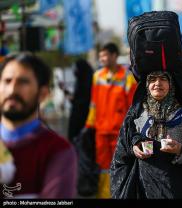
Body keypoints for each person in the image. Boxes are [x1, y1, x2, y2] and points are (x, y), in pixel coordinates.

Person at [110, 70, 182, 199]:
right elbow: (121, 152)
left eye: (163, 79)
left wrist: (179, 150)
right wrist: (134, 148)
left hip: (175, 190)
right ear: (147, 85)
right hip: (142, 189)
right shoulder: (136, 115)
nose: (157, 83)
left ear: (171, 85)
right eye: (153, 79)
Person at [0, 52, 77, 198]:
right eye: (7, 81)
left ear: (43, 94)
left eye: (23, 82)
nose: (12, 90)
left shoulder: (57, 151)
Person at [85, 43, 137, 198]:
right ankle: (103, 195)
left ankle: (118, 194)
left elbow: (133, 106)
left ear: (114, 56)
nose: (102, 59)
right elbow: (93, 103)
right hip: (101, 130)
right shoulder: (97, 76)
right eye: (100, 56)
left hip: (119, 131)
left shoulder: (127, 77)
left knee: (119, 165)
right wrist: (90, 125)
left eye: (105, 55)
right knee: (102, 166)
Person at [59, 58, 94, 142]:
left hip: (84, 119)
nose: (75, 71)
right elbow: (76, 99)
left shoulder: (88, 83)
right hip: (79, 117)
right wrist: (65, 91)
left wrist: (68, 95)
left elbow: (80, 101)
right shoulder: (81, 81)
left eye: (76, 68)